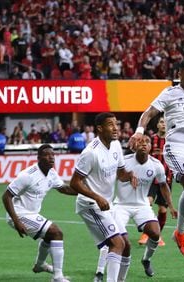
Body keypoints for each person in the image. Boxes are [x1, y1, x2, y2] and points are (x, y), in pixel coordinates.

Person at [129, 59, 184, 259]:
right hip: (175, 146)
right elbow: (148, 113)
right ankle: (181, 232)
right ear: (180, 74)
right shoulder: (170, 93)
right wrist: (139, 131)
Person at [93, 135, 177, 281]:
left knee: (155, 233)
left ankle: (146, 260)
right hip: (121, 205)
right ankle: (100, 272)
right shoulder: (123, 162)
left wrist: (171, 206)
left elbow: (163, 185)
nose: (144, 144)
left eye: (147, 142)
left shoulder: (156, 165)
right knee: (114, 238)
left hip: (142, 205)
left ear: (151, 147)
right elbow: (107, 176)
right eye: (140, 141)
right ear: (134, 145)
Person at [70, 112, 137, 282]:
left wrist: (129, 175)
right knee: (117, 244)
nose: (115, 128)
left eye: (116, 124)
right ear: (100, 128)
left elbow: (121, 174)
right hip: (90, 205)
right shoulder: (90, 152)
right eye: (110, 124)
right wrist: (96, 197)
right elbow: (75, 183)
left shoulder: (116, 146)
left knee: (127, 246)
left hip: (107, 205)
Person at [1, 144, 77, 282]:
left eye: (53, 155)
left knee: (49, 236)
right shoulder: (27, 175)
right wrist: (17, 221)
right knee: (56, 232)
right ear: (39, 158)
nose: (51, 157)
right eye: (47, 155)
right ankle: (58, 277)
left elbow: (64, 189)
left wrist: (85, 191)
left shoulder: (52, 173)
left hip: (31, 214)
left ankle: (40, 265)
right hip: (19, 214)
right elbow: (6, 196)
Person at [138, 116, 173, 247]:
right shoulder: (151, 139)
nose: (164, 124)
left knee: (163, 210)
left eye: (166, 122)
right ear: (157, 125)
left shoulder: (172, 140)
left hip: (166, 179)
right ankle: (146, 233)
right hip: (151, 179)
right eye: (162, 122)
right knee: (148, 203)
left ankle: (157, 235)